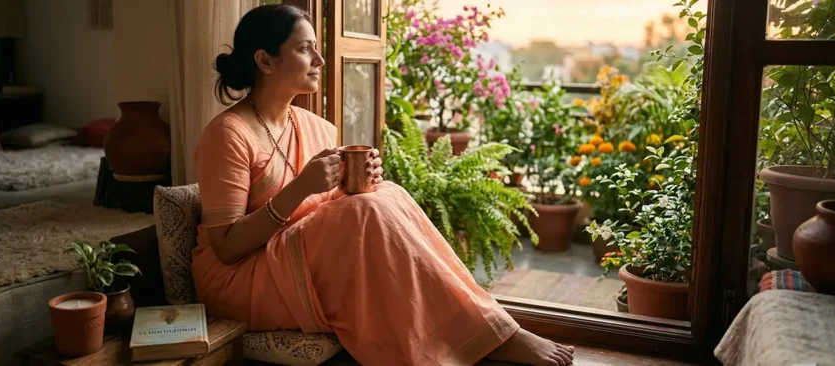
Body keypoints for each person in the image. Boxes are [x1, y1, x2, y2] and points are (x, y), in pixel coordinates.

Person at [191, 4, 576, 365]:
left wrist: (351, 187)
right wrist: (302, 188)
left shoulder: (316, 127)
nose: (320, 60)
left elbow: (322, 217)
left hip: (297, 259)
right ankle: (494, 337)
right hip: (241, 278)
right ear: (265, 60)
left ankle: (483, 330)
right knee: (369, 207)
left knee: (385, 193)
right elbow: (225, 248)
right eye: (305, 49)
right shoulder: (228, 134)